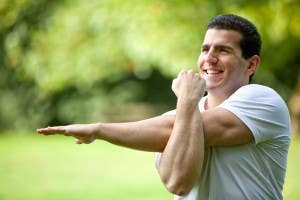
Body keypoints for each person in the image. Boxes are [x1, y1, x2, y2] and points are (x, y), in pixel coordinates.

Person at [37, 14, 291, 200]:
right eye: (205, 49)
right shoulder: (181, 116)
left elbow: (178, 127)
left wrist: (100, 129)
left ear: (251, 64)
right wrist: (187, 108)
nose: (209, 58)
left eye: (223, 50)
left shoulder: (263, 101)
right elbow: (176, 182)